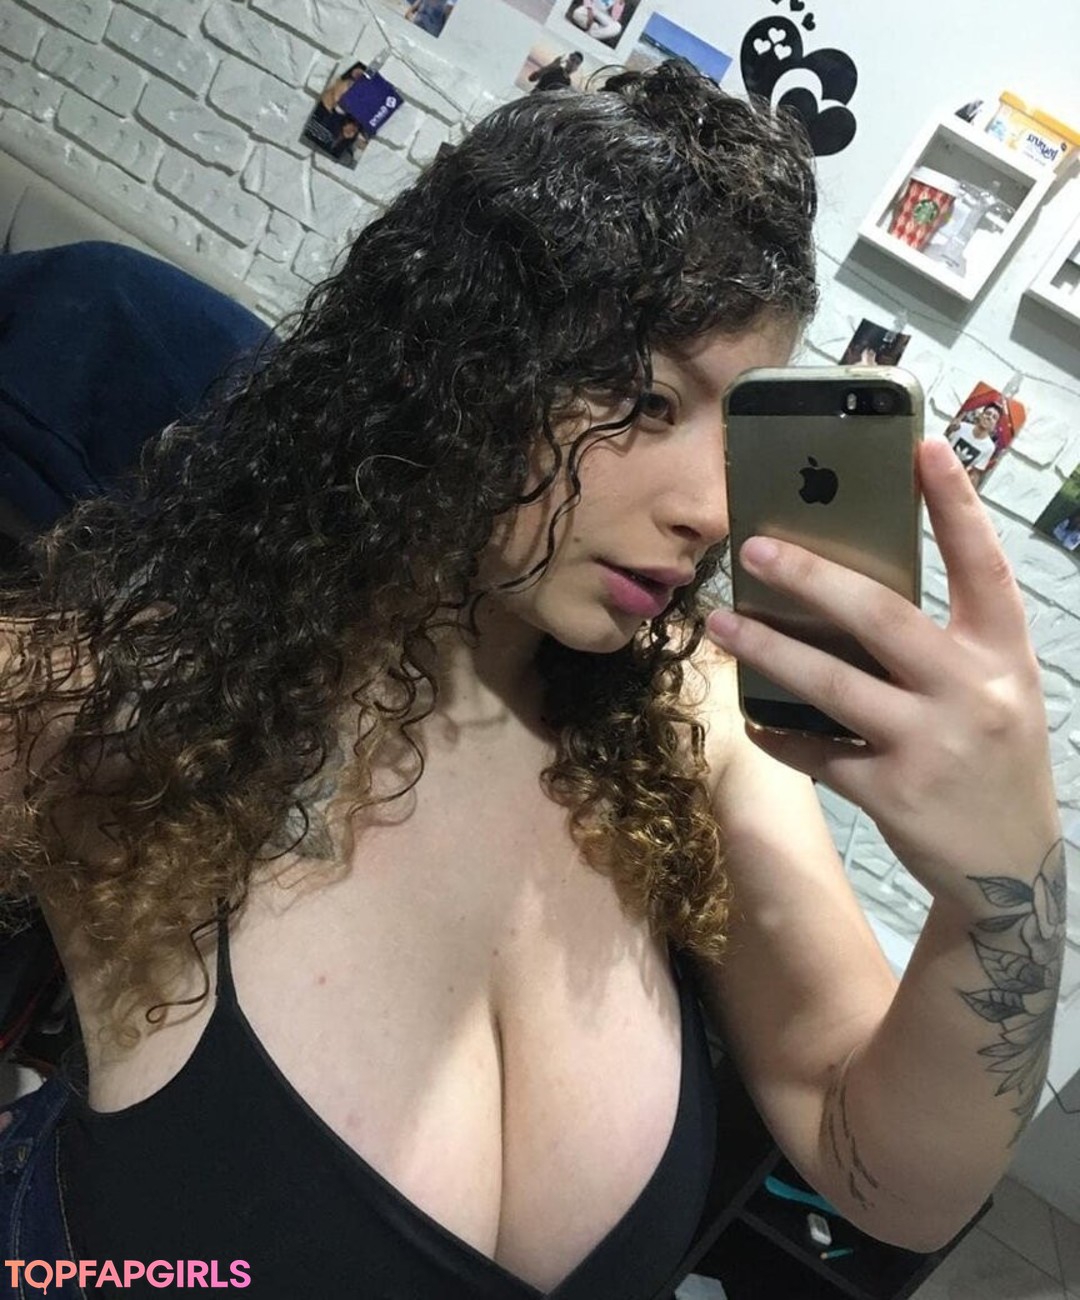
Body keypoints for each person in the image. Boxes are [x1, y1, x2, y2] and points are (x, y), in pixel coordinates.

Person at [0, 62, 1063, 1299]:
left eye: (732, 432)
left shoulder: (689, 727)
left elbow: (889, 1177)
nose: (712, 508)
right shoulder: (129, 696)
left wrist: (1003, 894)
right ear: (453, 354)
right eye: (643, 397)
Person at [945, 400, 1003, 489]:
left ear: (995, 425)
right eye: (988, 413)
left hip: (953, 481)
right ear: (981, 415)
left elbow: (976, 472)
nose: (989, 417)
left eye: (994, 417)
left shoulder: (989, 447)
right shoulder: (961, 427)